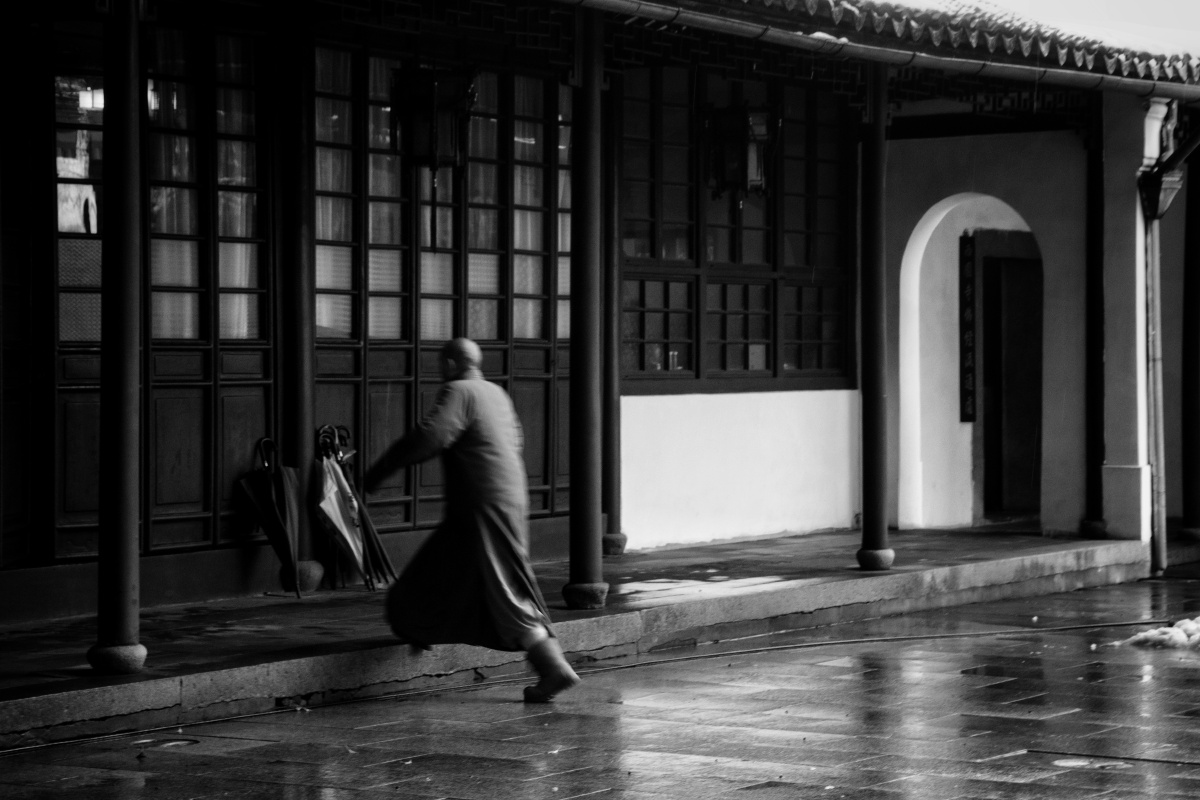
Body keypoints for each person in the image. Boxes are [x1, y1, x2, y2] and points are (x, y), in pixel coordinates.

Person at [362, 337, 580, 703]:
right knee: (438, 570)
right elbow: (515, 440)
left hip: (483, 503)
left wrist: (379, 471)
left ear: (449, 364)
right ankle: (420, 625)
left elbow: (431, 435)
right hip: (505, 498)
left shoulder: (459, 391)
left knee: (504, 588)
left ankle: (553, 667)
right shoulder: (496, 393)